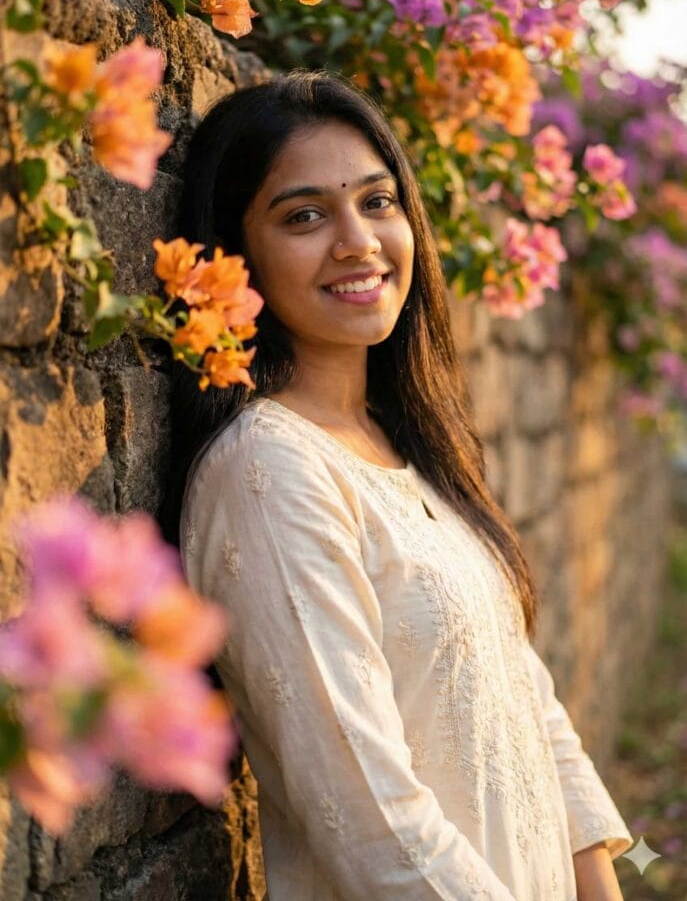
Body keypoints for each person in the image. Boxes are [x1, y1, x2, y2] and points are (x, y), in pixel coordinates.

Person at [172, 69, 633, 900]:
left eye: (377, 202)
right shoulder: (270, 472)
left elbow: (527, 703)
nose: (357, 241)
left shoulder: (411, 445)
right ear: (237, 255)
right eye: (304, 215)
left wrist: (601, 881)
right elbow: (369, 815)